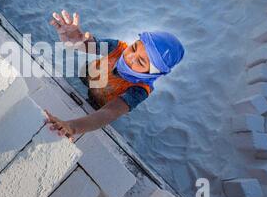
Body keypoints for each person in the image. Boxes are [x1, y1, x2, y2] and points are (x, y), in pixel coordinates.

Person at [45, 10, 185, 141]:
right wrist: (74, 39)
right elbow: (89, 45)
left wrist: (72, 127)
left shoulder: (139, 90)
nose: (129, 56)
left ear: (152, 73)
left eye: (140, 61)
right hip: (85, 78)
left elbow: (109, 113)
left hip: (98, 105)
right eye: (134, 47)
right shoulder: (118, 48)